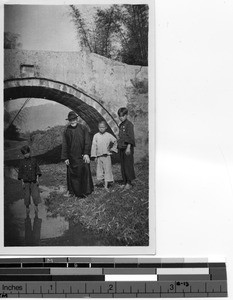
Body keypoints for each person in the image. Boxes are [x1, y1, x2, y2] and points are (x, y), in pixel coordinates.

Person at [61, 111, 94, 198]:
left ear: (77, 119)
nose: (73, 121)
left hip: (82, 156)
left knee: (84, 173)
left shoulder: (83, 128)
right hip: (72, 157)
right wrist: (65, 157)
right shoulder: (66, 131)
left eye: (74, 119)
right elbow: (65, 144)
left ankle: (86, 192)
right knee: (72, 175)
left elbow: (87, 141)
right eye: (71, 120)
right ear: (69, 120)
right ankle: (72, 192)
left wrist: (86, 153)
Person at [91, 120, 118, 191]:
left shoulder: (108, 135)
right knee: (100, 171)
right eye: (100, 127)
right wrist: (94, 156)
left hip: (106, 156)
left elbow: (115, 141)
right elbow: (94, 146)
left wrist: (112, 150)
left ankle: (106, 186)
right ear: (98, 127)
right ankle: (105, 182)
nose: (101, 129)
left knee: (107, 170)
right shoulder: (96, 136)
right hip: (99, 156)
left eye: (103, 127)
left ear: (106, 127)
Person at [18, 145, 41, 216]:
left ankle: (36, 207)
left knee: (35, 195)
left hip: (34, 181)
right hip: (26, 182)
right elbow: (20, 173)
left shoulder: (34, 160)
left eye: (27, 153)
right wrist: (22, 182)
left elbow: (37, 170)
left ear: (29, 152)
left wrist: (37, 179)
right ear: (23, 154)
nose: (26, 155)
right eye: (24, 154)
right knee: (26, 196)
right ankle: (27, 208)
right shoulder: (22, 162)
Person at [117, 107, 136, 190]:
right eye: (120, 116)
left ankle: (129, 182)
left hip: (127, 148)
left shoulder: (129, 125)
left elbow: (131, 137)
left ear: (126, 115)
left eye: (122, 116)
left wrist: (128, 147)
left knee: (128, 165)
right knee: (123, 166)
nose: (121, 118)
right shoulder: (121, 125)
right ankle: (124, 181)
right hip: (121, 147)